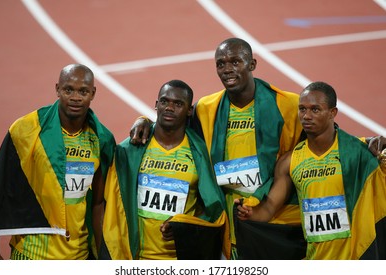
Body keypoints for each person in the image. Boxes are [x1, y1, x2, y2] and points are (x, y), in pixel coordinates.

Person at [130, 38, 306, 259]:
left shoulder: (288, 105)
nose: (227, 69)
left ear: (252, 64)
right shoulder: (206, 108)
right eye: (221, 63)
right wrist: (144, 120)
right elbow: (173, 125)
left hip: (272, 216)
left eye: (235, 62)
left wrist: (361, 141)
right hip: (227, 217)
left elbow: (324, 136)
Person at [235, 81, 386, 259]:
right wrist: (250, 213)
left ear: (332, 113)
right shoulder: (290, 161)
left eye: (315, 109)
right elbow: (269, 207)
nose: (306, 116)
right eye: (302, 109)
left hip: (354, 256)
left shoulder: (357, 152)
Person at [0, 64, 115, 260]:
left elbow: (98, 204)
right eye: (68, 90)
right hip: (32, 254)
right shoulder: (26, 129)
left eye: (83, 91)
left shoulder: (102, 139)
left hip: (77, 256)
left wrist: (102, 256)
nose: (75, 97)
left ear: (93, 93)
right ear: (57, 89)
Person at [99, 79, 229, 260]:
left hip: (179, 259)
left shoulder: (200, 153)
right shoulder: (132, 149)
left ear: (189, 110)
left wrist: (183, 227)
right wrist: (142, 119)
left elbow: (211, 208)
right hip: (136, 257)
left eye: (178, 104)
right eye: (164, 101)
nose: (169, 107)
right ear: (156, 105)